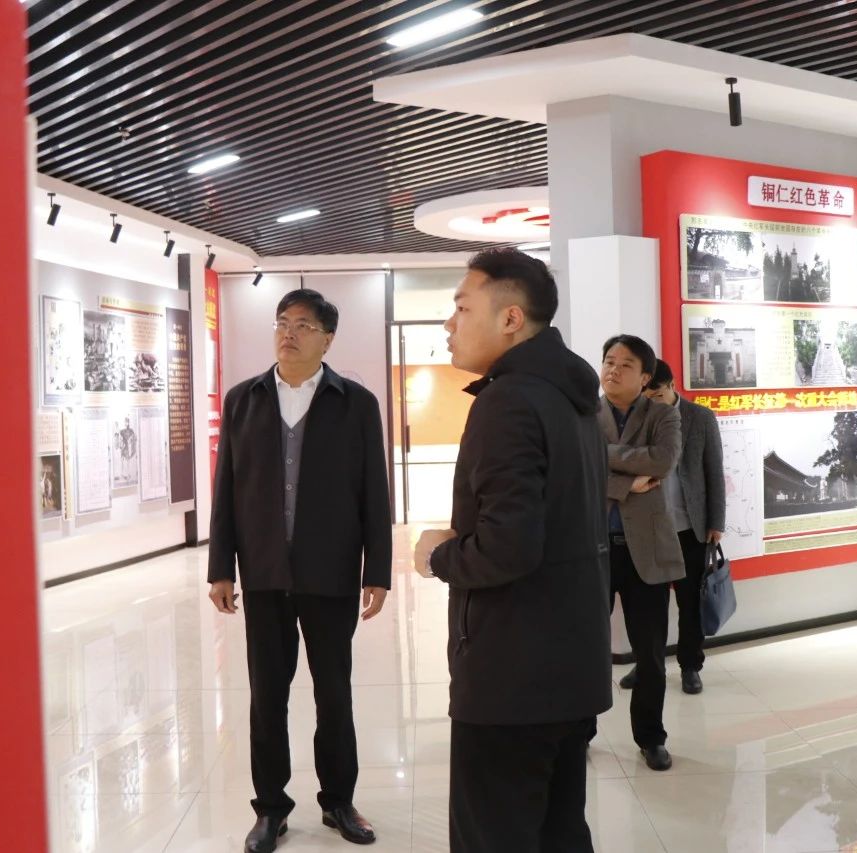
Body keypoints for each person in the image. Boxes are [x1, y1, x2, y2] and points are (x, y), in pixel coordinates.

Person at [412, 248, 612, 853]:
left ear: (510, 319)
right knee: (558, 833)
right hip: (569, 666)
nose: (449, 323)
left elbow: (507, 548)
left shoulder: (508, 401)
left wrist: (438, 555)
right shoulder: (574, 397)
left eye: (462, 307)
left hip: (510, 677)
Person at [207, 289, 391, 853]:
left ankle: (338, 801)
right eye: (282, 322)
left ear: (328, 339)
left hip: (331, 572)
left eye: (304, 325)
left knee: (334, 693)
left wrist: (378, 570)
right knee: (267, 697)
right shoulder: (243, 401)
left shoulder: (356, 404)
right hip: (263, 573)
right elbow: (226, 489)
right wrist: (220, 568)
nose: (289, 333)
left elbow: (374, 492)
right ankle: (270, 809)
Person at [597, 335, 683, 772]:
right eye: (608, 361)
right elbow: (573, 469)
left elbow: (663, 461)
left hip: (646, 550)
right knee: (585, 649)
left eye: (625, 364)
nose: (613, 370)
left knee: (650, 655)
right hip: (593, 549)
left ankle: (651, 737)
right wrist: (627, 482)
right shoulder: (582, 413)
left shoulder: (663, 414)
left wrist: (605, 458)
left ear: (645, 376)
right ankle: (580, 731)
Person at [618, 359, 724, 696]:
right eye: (646, 397)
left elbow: (714, 472)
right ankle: (648, 664)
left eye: (658, 395)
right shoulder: (636, 419)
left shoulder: (700, 418)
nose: (652, 402)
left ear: (672, 386)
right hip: (650, 529)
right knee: (649, 607)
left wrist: (716, 522)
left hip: (690, 528)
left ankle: (690, 665)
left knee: (690, 603)